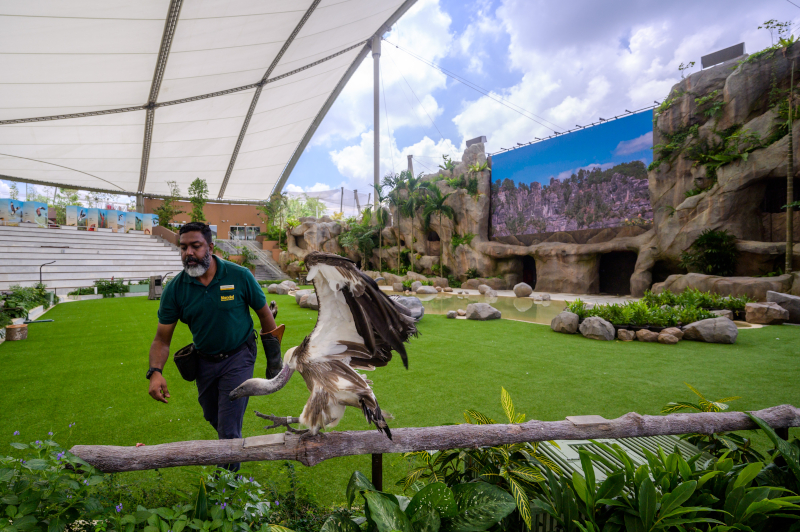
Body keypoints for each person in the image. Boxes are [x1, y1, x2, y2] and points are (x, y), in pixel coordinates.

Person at [146, 222, 284, 471]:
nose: (189, 253)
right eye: (184, 247)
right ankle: (230, 451)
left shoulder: (239, 276)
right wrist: (155, 372)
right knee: (213, 416)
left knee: (229, 430)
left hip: (239, 356)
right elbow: (161, 339)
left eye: (195, 246)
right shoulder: (176, 289)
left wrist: (274, 360)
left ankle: (226, 491)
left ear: (210, 247)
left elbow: (265, 316)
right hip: (204, 361)